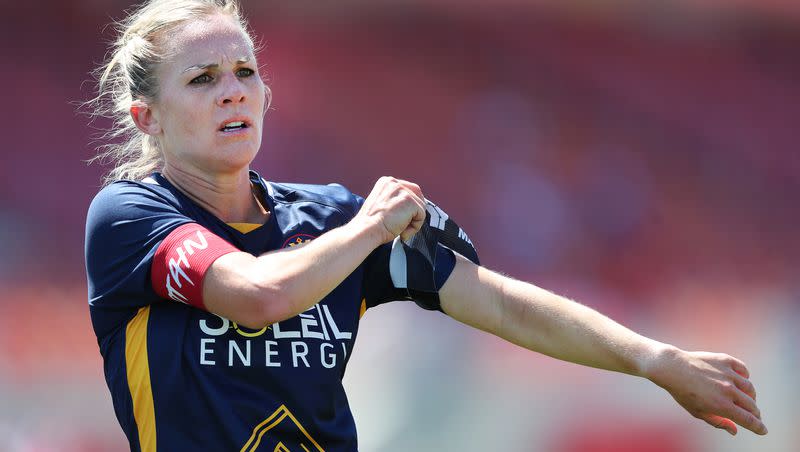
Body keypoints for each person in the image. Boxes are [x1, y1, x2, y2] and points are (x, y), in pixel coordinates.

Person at [84, 1, 767, 450]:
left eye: (244, 71)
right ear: (148, 117)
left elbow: (496, 300)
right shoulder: (130, 217)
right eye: (202, 79)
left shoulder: (327, 214)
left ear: (265, 93)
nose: (233, 90)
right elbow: (259, 295)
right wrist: (369, 229)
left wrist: (652, 360)